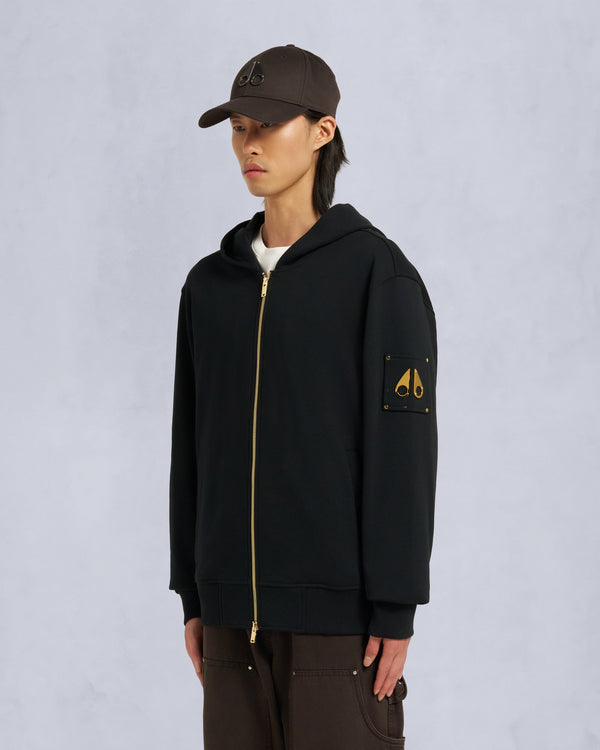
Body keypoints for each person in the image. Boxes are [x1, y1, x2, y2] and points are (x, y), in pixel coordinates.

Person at [168, 44, 438, 750]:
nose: (249, 145)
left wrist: (396, 605)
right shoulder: (209, 287)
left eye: (268, 125)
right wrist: (193, 592)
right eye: (239, 128)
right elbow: (190, 444)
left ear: (323, 131)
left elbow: (403, 455)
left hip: (339, 632)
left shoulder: (378, 278)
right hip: (228, 623)